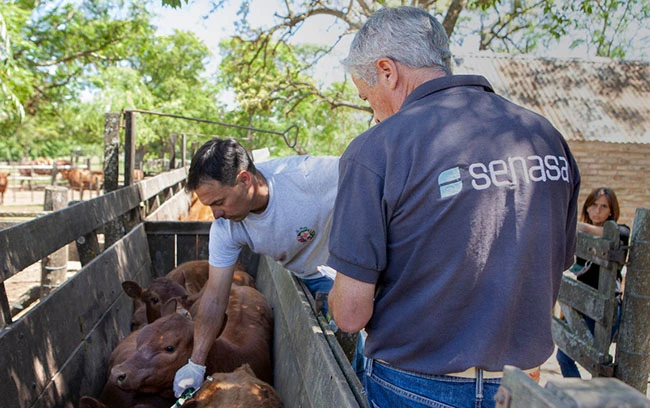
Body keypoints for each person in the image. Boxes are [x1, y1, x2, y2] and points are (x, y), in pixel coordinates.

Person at [325, 6, 581, 408]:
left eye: (366, 96)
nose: (373, 113)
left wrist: (334, 297)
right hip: (521, 387)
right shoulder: (544, 136)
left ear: (388, 71)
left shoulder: (376, 150)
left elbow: (351, 314)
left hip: (414, 387)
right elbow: (556, 261)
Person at [173, 138, 339, 397]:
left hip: (350, 268)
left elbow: (371, 178)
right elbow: (215, 296)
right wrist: (196, 363)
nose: (215, 214)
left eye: (219, 202)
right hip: (309, 276)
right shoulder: (226, 227)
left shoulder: (310, 177)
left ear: (244, 179)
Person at [556, 187, 630, 378]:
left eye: (603, 206)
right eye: (594, 205)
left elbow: (620, 235)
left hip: (606, 309)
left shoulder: (620, 231)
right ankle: (578, 398)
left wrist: (580, 226)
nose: (597, 211)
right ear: (587, 208)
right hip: (582, 304)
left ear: (611, 210)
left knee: (595, 363)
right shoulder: (580, 239)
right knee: (564, 356)